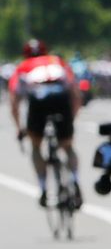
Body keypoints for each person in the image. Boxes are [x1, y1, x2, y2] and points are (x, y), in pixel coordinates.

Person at [7, 39, 83, 208]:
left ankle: (43, 187)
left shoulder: (23, 66)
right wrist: (72, 118)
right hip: (61, 99)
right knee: (68, 146)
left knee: (35, 145)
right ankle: (75, 180)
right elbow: (75, 93)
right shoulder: (57, 61)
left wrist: (20, 128)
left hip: (38, 100)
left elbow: (14, 101)